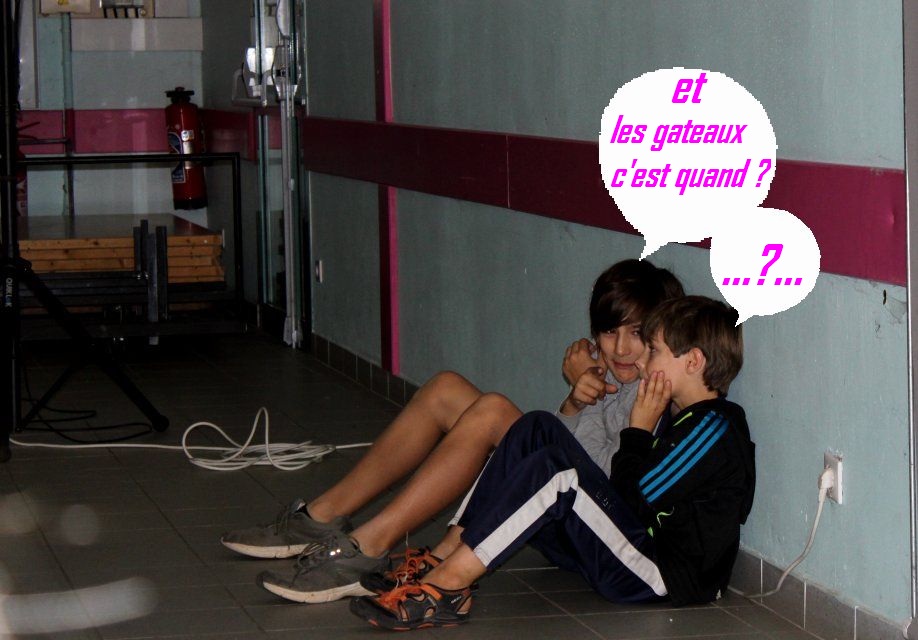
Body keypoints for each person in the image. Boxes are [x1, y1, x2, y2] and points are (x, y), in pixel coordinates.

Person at [221, 260, 683, 604]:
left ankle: (370, 545)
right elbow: (565, 449)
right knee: (446, 390)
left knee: (495, 411)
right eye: (608, 332)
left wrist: (581, 402)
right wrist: (576, 401)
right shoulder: (613, 377)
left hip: (601, 535)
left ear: (661, 335)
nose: (620, 348)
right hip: (566, 503)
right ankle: (320, 517)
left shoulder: (656, 390)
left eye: (636, 333)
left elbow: (601, 477)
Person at [349, 295, 755, 630]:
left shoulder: (713, 428)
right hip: (626, 551)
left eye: (654, 351)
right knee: (536, 427)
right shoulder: (682, 417)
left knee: (558, 474)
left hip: (661, 576)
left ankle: (449, 587)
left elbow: (633, 502)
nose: (643, 362)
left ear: (693, 362)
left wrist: (638, 431)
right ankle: (443, 556)